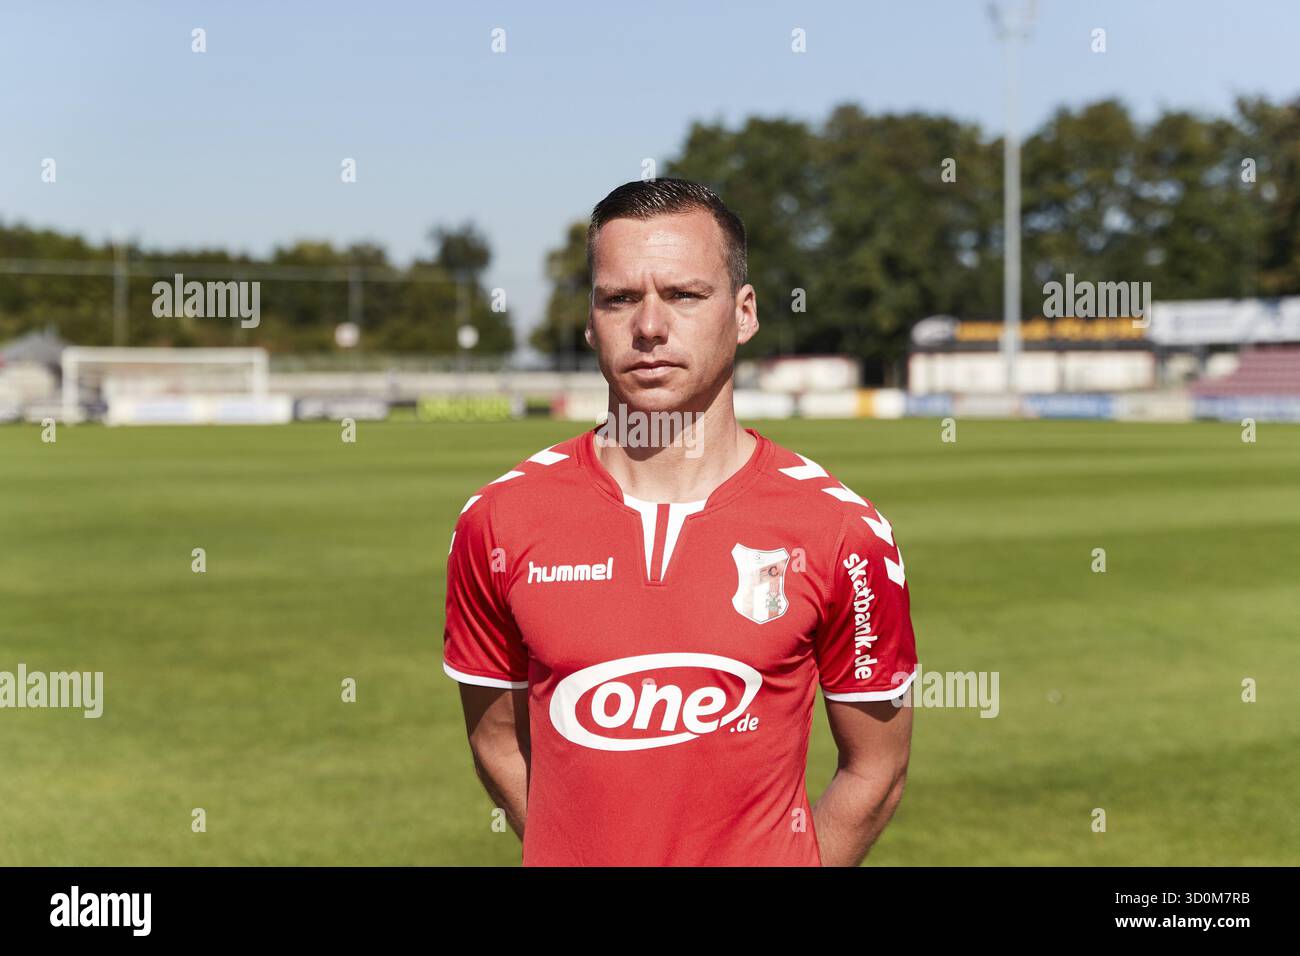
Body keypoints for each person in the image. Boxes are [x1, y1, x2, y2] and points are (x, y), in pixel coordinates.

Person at [443, 177, 917, 866]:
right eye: (620, 298)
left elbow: (876, 772)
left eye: (685, 295)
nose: (650, 327)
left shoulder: (844, 532)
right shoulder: (496, 520)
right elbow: (496, 742)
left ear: (744, 312)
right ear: (590, 319)